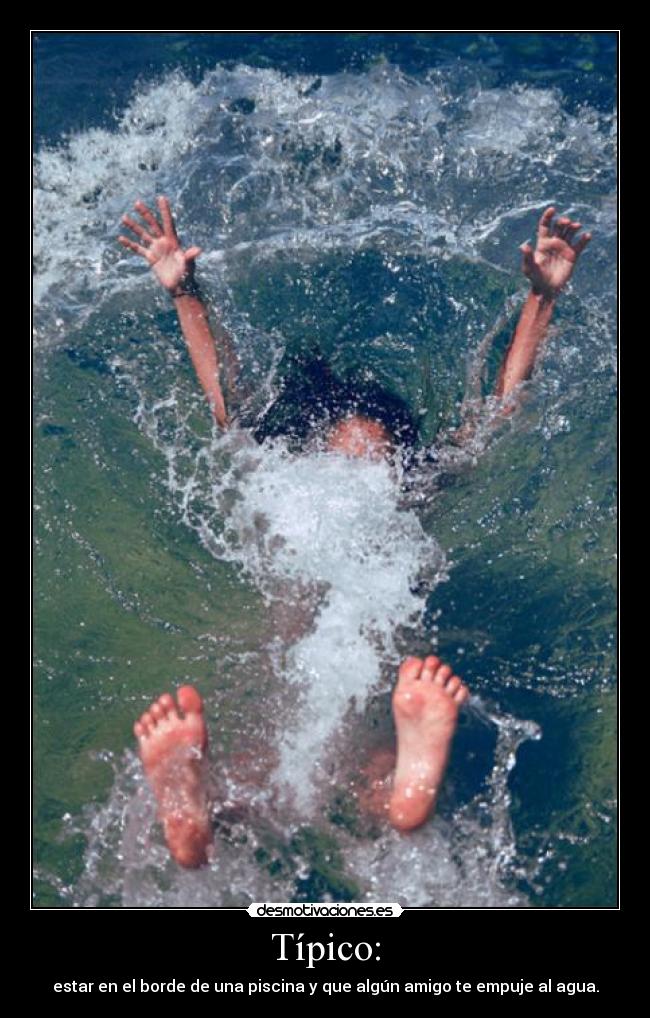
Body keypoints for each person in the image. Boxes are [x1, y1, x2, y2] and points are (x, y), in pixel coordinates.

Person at [120, 198, 591, 867]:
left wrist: (186, 293)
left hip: (286, 664)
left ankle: (195, 821)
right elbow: (497, 416)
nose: (367, 470)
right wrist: (540, 301)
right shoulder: (410, 495)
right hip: (376, 665)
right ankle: (406, 791)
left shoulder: (272, 480)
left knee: (260, 771)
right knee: (376, 776)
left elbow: (222, 396)